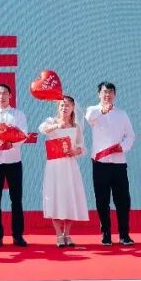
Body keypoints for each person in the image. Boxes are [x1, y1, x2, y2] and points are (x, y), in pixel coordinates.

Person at [85, 81, 136, 246]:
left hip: (119, 162)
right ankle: (106, 233)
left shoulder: (122, 114)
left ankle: (124, 234)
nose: (107, 95)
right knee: (102, 199)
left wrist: (123, 147)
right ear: (99, 94)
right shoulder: (93, 110)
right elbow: (89, 118)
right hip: (100, 162)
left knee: (123, 200)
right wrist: (102, 111)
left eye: (111, 92)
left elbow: (130, 135)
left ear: (115, 94)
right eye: (104, 92)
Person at [0, 83, 29, 248]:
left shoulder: (18, 114)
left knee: (16, 200)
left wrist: (12, 143)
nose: (1, 97)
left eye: (4, 93)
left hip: (14, 161)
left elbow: (24, 134)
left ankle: (18, 235)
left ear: (10, 95)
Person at [39, 95, 89, 247]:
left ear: (73, 108)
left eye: (67, 105)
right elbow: (43, 129)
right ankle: (58, 235)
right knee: (55, 197)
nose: (64, 108)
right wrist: (56, 126)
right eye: (61, 105)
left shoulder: (76, 126)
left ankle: (67, 233)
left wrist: (76, 151)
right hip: (54, 166)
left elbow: (82, 146)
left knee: (69, 197)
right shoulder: (51, 121)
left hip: (69, 166)